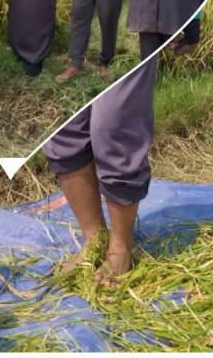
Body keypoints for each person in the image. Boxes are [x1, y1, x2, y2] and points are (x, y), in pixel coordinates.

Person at [43, 59, 157, 287]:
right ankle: (94, 240)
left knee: (115, 123)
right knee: (63, 124)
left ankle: (120, 247)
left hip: (131, 32)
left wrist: (191, 22)